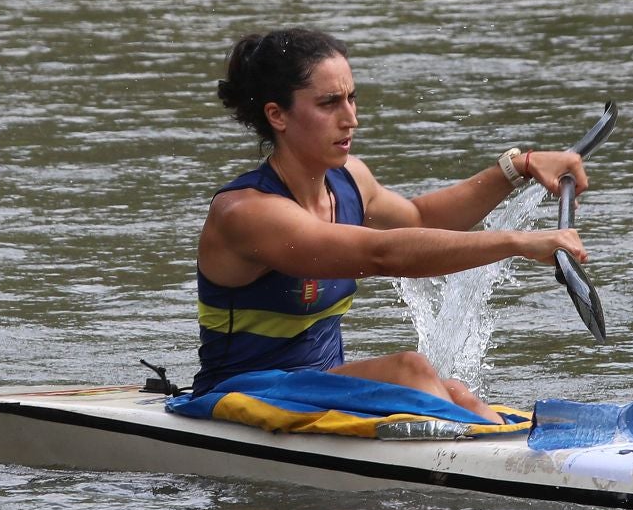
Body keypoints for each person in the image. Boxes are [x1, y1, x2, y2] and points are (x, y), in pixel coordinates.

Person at [195, 27, 590, 423]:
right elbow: (382, 255)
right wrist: (517, 242)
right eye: (329, 103)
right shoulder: (247, 213)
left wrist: (518, 167)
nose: (351, 119)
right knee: (411, 371)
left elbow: (421, 219)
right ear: (276, 115)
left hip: (319, 386)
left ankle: (503, 447)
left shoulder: (351, 179)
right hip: (238, 395)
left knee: (455, 391)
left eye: (351, 98)